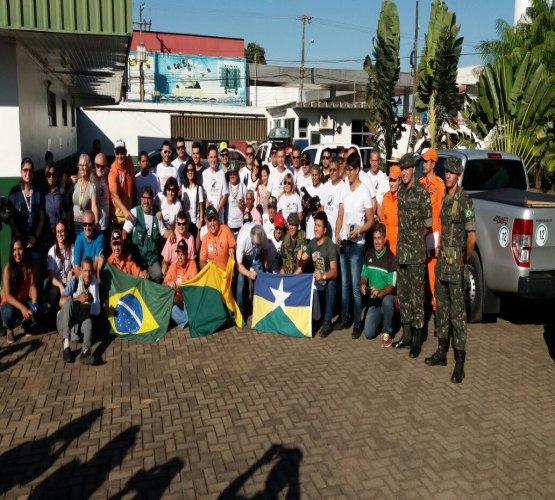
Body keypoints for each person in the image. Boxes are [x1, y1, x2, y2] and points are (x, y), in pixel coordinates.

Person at [425, 157, 476, 384]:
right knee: (442, 311)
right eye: (446, 172)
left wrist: (463, 260)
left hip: (456, 266)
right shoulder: (444, 197)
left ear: (459, 176)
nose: (447, 175)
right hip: (442, 264)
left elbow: (471, 237)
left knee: (458, 315)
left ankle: (459, 363)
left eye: (452, 173)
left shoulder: (465, 200)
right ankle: (441, 353)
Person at [392, 153, 432, 358]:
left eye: (406, 169)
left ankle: (418, 339)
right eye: (402, 169)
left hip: (415, 254)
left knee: (417, 298)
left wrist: (414, 239)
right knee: (404, 295)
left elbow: (428, 224)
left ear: (413, 170)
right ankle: (406, 335)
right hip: (402, 255)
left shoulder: (422, 193)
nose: (404, 173)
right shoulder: (401, 192)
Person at [334, 153, 374, 339]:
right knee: (345, 284)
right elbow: (340, 215)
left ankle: (357, 323)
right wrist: (336, 233)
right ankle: (345, 318)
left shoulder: (364, 191)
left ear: (357, 170)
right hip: (344, 243)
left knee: (356, 286)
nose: (347, 173)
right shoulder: (344, 190)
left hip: (357, 245)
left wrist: (360, 231)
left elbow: (370, 220)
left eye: (349, 170)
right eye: (346, 170)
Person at [296, 211, 337, 338]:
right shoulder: (312, 243)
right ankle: (314, 318)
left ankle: (327, 322)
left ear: (324, 229)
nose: (315, 228)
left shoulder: (330, 245)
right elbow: (302, 263)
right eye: (315, 225)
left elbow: (334, 271)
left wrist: (323, 276)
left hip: (327, 280)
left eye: (319, 226)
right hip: (317, 282)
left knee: (332, 284)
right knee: (306, 281)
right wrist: (299, 259)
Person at [418, 148, 445, 326]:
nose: (424, 164)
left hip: (434, 236)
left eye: (427, 161)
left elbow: (442, 215)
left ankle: (437, 316)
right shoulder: (419, 184)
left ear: (433, 164)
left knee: (434, 279)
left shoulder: (440, 185)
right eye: (423, 161)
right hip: (420, 236)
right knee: (419, 278)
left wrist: (440, 241)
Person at [360, 223, 397, 346]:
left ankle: (388, 332)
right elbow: (364, 276)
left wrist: (380, 293)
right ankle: (384, 319)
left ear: (385, 238)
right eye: (374, 238)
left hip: (386, 297)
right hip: (373, 302)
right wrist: (363, 284)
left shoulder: (392, 258)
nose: (376, 241)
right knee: (369, 334)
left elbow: (391, 286)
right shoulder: (368, 254)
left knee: (387, 301)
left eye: (379, 238)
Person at [57, 256, 100, 365]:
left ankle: (85, 352)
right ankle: (66, 346)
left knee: (89, 321)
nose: (87, 274)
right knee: (69, 300)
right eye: (85, 270)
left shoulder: (94, 284)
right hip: (65, 321)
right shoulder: (74, 281)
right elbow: (61, 301)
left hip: (78, 321)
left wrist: (88, 302)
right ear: (81, 270)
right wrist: (78, 299)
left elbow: (97, 309)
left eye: (90, 271)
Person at [122, 186, 165, 283]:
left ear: (152, 200)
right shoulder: (134, 213)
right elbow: (124, 232)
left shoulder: (156, 216)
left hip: (151, 259)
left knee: (158, 274)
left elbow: (164, 233)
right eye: (144, 198)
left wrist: (171, 233)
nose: (146, 201)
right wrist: (127, 251)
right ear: (140, 199)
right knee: (138, 276)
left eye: (148, 198)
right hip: (137, 259)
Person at [1, 240, 39, 344]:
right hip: (10, 303)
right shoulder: (8, 268)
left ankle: (26, 324)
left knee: (37, 312)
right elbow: (7, 296)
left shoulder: (31, 266)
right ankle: (9, 328)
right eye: (14, 250)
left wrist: (34, 305)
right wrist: (23, 308)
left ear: (24, 250)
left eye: (20, 249)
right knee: (7, 313)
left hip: (24, 300)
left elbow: (33, 286)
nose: (17, 253)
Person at [8, 158, 45, 262]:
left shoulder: (38, 193)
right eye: (25, 170)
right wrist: (19, 237)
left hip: (34, 243)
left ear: (33, 173)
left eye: (30, 170)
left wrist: (35, 237)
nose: (28, 173)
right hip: (19, 245)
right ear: (21, 172)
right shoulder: (14, 193)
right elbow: (11, 219)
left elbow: (41, 219)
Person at [164, 239, 198, 329]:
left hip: (189, 300)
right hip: (177, 300)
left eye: (182, 254)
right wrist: (168, 283)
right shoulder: (174, 266)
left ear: (187, 254)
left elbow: (193, 286)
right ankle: (188, 320)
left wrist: (180, 287)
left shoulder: (192, 264)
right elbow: (164, 283)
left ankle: (184, 320)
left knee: (189, 308)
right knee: (171, 310)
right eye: (178, 254)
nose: (180, 257)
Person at [235, 222, 267, 316]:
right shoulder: (242, 240)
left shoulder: (262, 234)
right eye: (257, 245)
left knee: (260, 277)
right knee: (240, 282)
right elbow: (239, 265)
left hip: (255, 256)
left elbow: (264, 249)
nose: (259, 247)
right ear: (252, 241)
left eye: (260, 245)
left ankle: (260, 306)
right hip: (243, 258)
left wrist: (265, 263)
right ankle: (240, 310)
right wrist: (249, 274)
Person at [46, 220, 74, 310]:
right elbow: (51, 277)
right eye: (57, 231)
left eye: (62, 231)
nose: (60, 234)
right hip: (57, 283)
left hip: (69, 281)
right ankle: (55, 314)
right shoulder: (52, 251)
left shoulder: (72, 248)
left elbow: (75, 267)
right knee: (54, 292)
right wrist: (61, 286)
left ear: (66, 231)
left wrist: (71, 271)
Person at [42, 162, 70, 250]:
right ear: (45, 175)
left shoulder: (61, 191)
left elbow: (68, 210)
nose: (51, 177)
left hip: (60, 234)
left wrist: (67, 226)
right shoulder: (41, 192)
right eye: (49, 174)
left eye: (54, 174)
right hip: (47, 234)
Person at [199, 205, 236, 270]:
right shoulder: (205, 238)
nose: (212, 224)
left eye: (214, 220)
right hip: (213, 276)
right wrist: (209, 270)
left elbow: (233, 246)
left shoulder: (225, 230)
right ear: (206, 221)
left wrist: (231, 249)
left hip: (226, 275)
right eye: (210, 220)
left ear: (218, 219)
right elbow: (202, 261)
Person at [108, 139, 134, 228]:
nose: (120, 156)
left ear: (126, 152)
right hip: (117, 218)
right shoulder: (113, 172)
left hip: (130, 214)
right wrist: (124, 210)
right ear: (114, 153)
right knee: (118, 242)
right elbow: (114, 195)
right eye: (117, 153)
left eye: (122, 153)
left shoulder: (130, 165)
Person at [161, 210, 196, 276]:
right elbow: (165, 260)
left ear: (187, 223)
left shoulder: (191, 238)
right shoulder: (172, 237)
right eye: (179, 224)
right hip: (173, 271)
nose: (181, 226)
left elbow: (192, 261)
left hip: (185, 272)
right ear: (176, 224)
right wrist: (164, 267)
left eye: (183, 223)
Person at [73, 210, 105, 280]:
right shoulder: (79, 239)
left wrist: (88, 277)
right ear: (82, 224)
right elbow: (76, 267)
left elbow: (96, 263)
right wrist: (85, 281)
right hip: (81, 276)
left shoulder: (99, 237)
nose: (87, 227)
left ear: (94, 224)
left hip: (93, 274)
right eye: (85, 224)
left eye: (90, 224)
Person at [72, 153, 98, 236]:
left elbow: (94, 207)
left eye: (84, 165)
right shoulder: (76, 183)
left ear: (88, 167)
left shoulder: (92, 186)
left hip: (85, 225)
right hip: (74, 223)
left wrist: (96, 223)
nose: (82, 168)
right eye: (80, 165)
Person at [202, 145, 228, 223]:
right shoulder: (204, 174)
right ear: (208, 158)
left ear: (218, 158)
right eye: (211, 157)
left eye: (215, 157)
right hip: (209, 217)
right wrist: (208, 207)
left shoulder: (222, 174)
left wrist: (216, 210)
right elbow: (203, 195)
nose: (213, 160)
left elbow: (225, 196)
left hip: (219, 217)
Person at [180, 158, 204, 239]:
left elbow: (201, 208)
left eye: (192, 170)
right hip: (185, 224)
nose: (190, 172)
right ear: (186, 172)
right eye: (188, 170)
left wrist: (200, 222)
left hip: (195, 224)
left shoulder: (198, 188)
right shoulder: (183, 187)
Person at [321, 158, 344, 244]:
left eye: (334, 170)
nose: (332, 172)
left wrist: (337, 233)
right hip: (326, 233)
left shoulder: (343, 187)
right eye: (330, 170)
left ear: (339, 170)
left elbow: (341, 215)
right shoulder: (326, 186)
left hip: (337, 234)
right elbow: (322, 209)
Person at [379, 165, 401, 254]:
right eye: (390, 180)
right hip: (387, 246)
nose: (391, 184)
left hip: (399, 246)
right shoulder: (386, 198)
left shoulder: (404, 199)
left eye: (394, 180)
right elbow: (383, 222)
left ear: (400, 180)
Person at [156, 176, 182, 243]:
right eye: (168, 189)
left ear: (176, 191)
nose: (170, 193)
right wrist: (157, 211)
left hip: (171, 233)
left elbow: (178, 225)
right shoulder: (160, 198)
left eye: (173, 190)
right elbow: (150, 206)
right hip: (158, 232)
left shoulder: (178, 205)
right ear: (165, 189)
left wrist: (171, 232)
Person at [92, 153, 110, 245]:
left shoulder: (108, 172)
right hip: (94, 222)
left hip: (106, 221)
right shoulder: (90, 174)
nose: (99, 169)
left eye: (102, 166)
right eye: (97, 166)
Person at [226, 164, 247, 236]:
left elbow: (247, 206)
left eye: (234, 173)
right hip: (229, 224)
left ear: (237, 174)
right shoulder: (226, 186)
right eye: (230, 174)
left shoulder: (242, 186)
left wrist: (243, 206)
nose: (232, 176)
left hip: (240, 225)